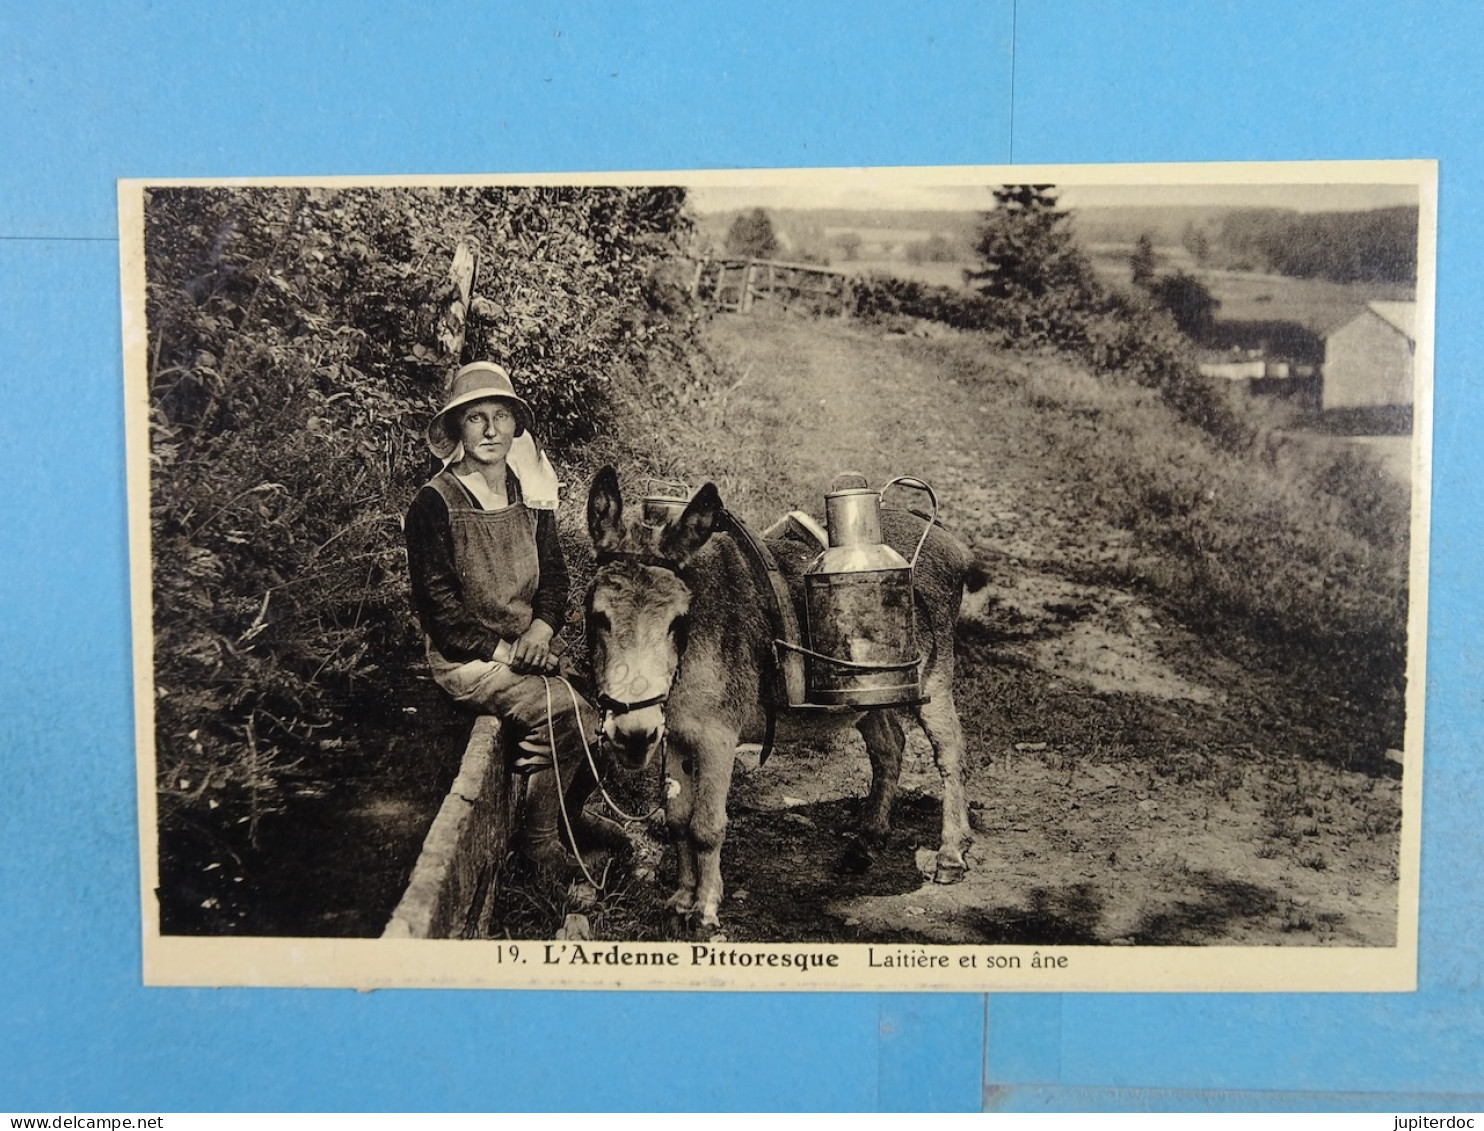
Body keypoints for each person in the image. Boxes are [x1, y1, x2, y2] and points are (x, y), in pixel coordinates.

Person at [404, 361, 608, 875]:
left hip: (524, 648)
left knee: (607, 699)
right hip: (467, 660)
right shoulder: (433, 504)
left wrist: (541, 630)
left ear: (517, 425)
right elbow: (441, 610)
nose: (491, 430)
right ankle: (538, 843)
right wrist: (508, 653)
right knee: (567, 711)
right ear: (457, 429)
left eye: (501, 416)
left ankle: (570, 815)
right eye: (476, 418)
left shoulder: (530, 494)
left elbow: (555, 577)